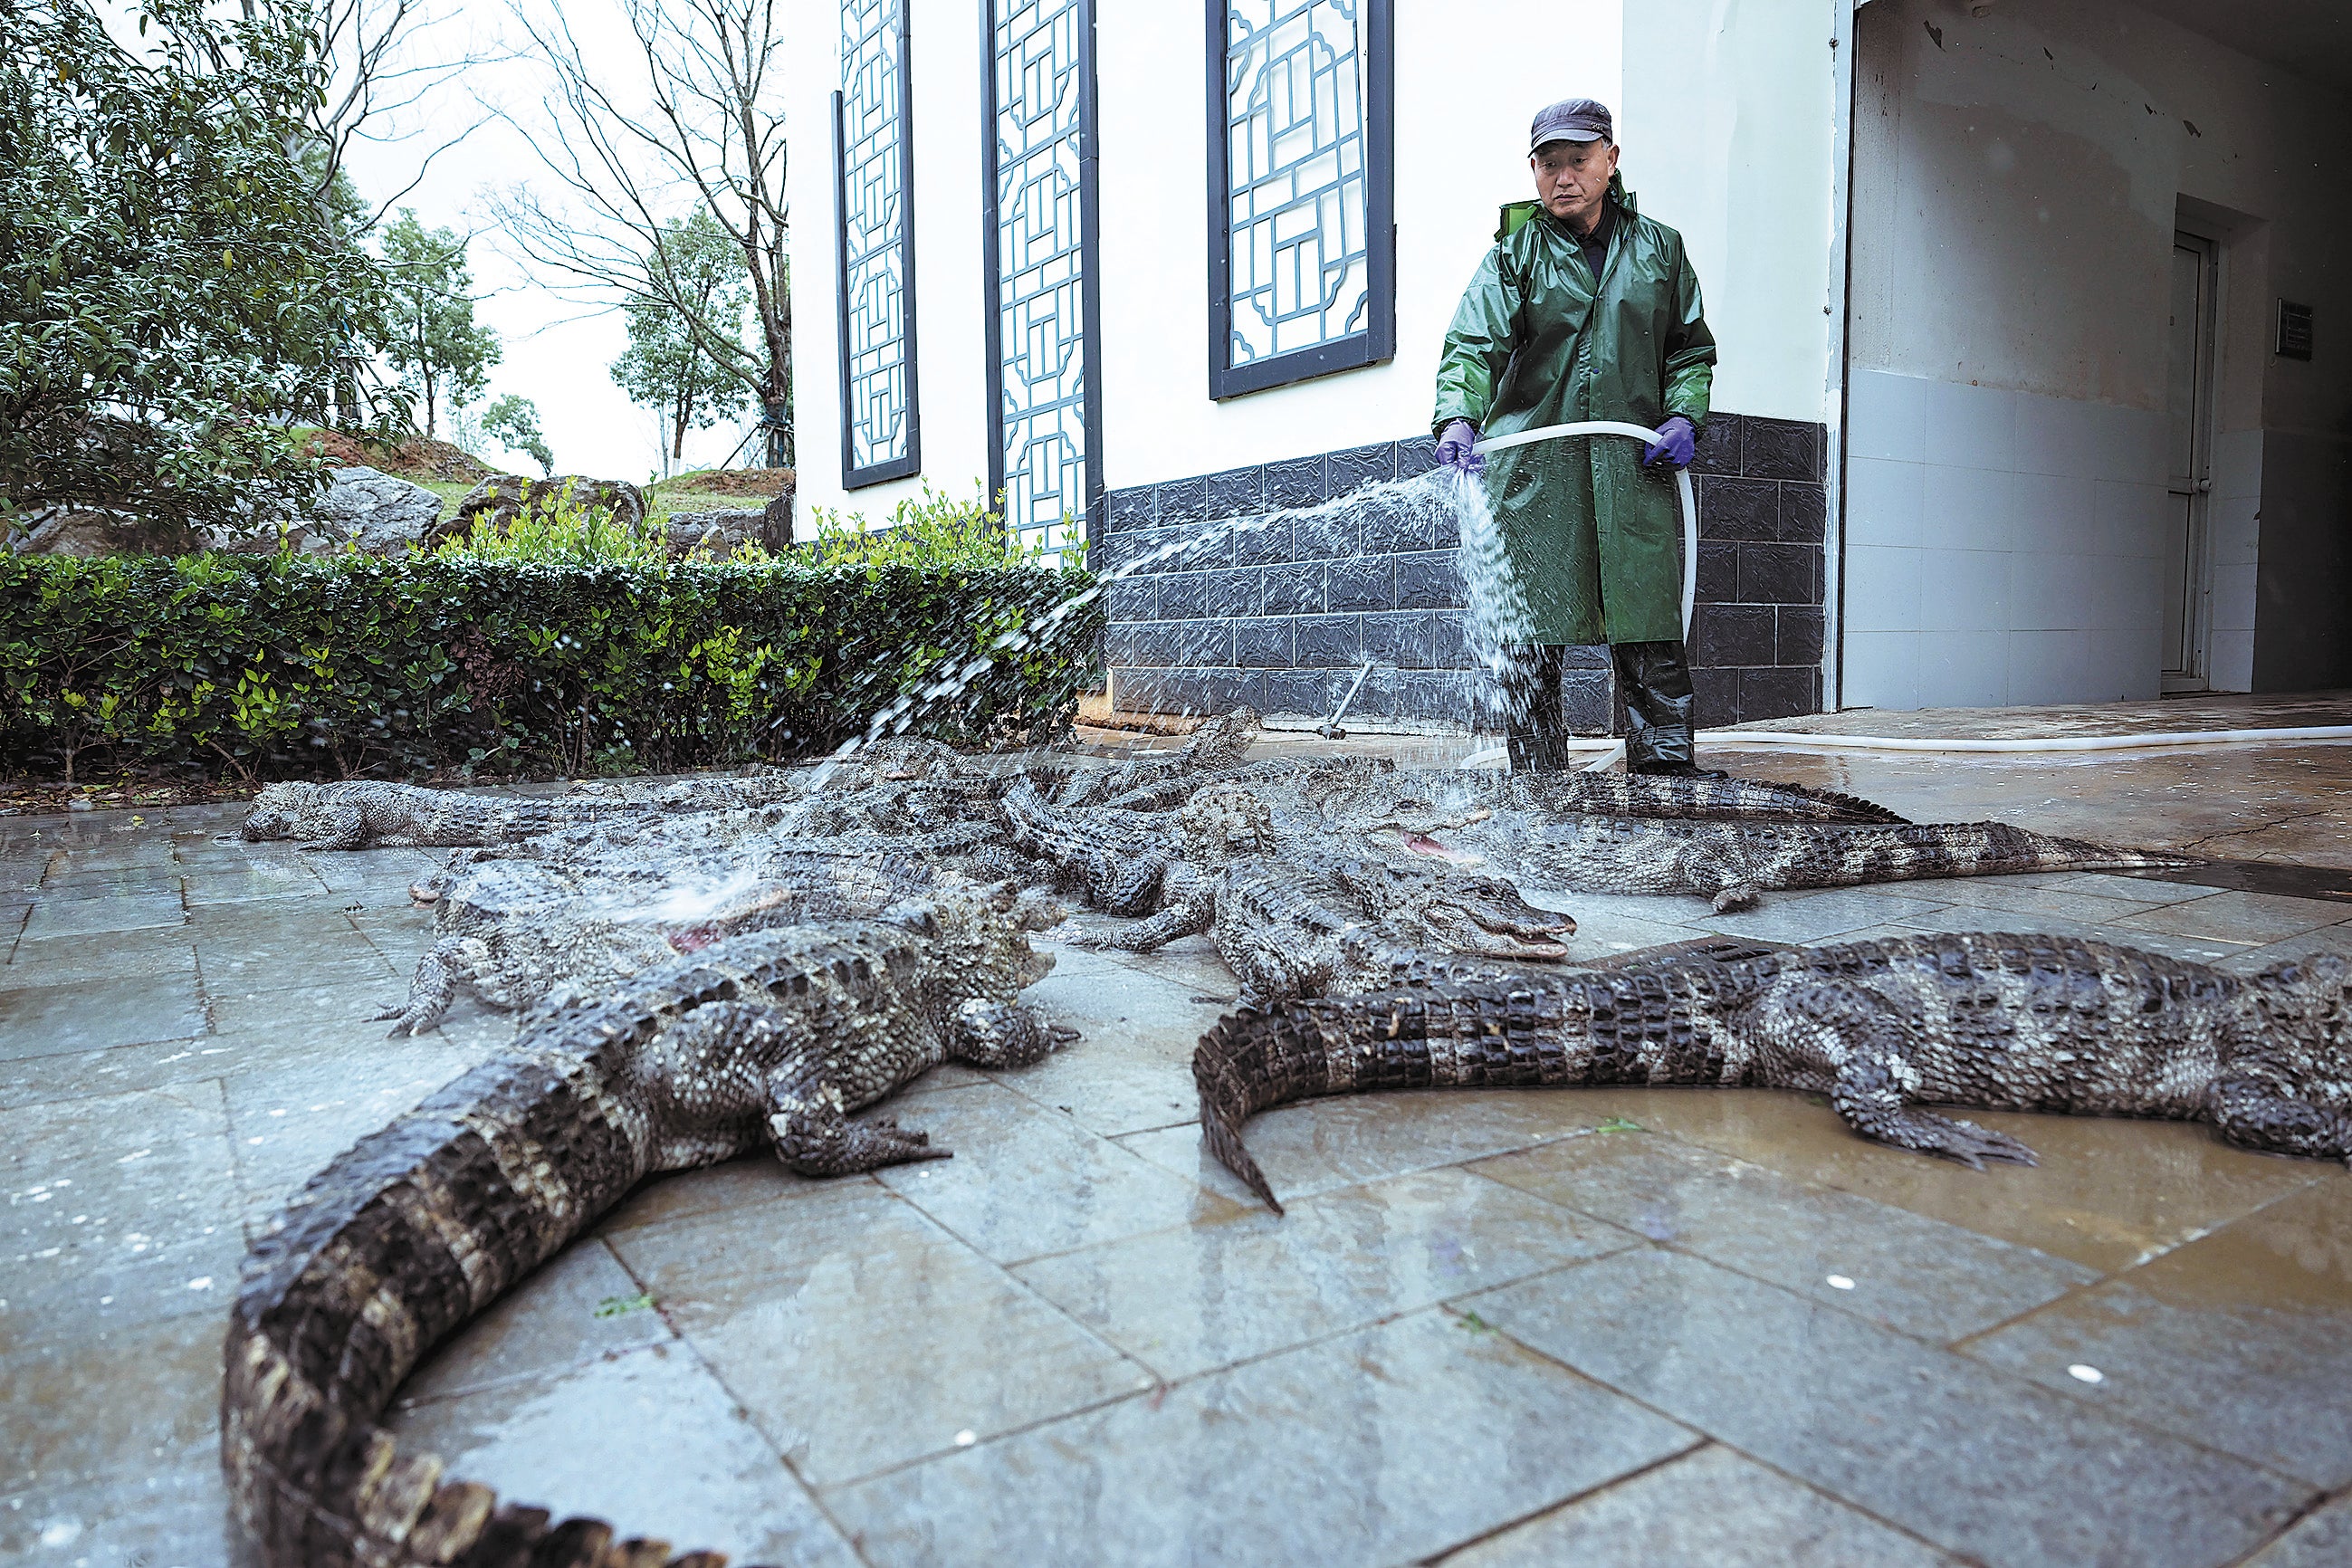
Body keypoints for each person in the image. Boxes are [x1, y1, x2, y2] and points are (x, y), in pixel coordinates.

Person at [1432, 97, 1720, 776]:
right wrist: (1457, 416)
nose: (1563, 176)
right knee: (1530, 647)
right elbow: (1473, 345)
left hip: (1633, 472)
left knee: (1651, 636)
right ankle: (1541, 796)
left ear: (1610, 160)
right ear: (1533, 172)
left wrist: (1684, 412)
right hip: (1536, 481)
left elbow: (1688, 349)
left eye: (1578, 159)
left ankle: (1666, 784)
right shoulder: (1513, 255)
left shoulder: (1660, 249)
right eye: (1548, 163)